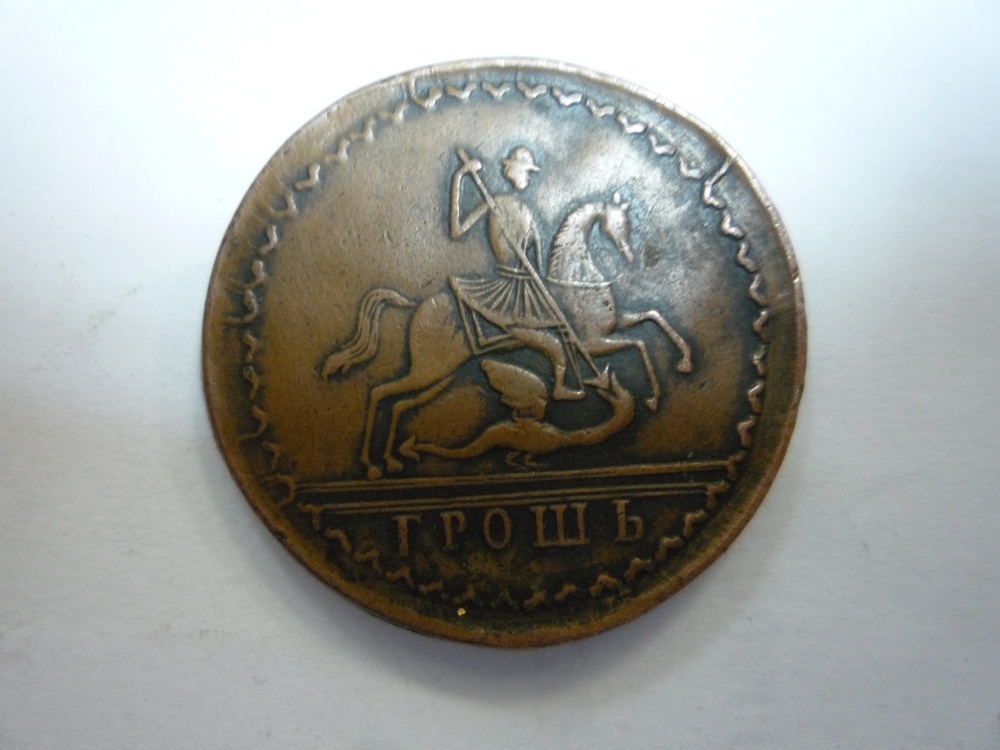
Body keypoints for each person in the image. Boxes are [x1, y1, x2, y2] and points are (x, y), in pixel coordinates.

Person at [449, 147, 585, 400]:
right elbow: (457, 231)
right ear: (512, 169)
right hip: (506, 292)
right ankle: (558, 388)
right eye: (527, 171)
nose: (529, 177)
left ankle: (569, 382)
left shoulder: (526, 210)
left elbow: (539, 266)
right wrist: (459, 176)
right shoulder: (495, 203)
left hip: (528, 289)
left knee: (564, 332)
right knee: (556, 346)